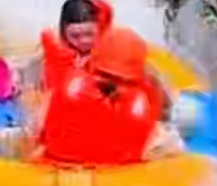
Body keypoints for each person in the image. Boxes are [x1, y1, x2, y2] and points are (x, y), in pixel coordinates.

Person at [37, 26, 168, 165]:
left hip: (57, 161)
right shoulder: (143, 100)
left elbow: (42, 133)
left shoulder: (69, 82)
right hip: (120, 169)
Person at [38, 0, 114, 91]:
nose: (83, 41)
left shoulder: (112, 50)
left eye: (89, 34)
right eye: (74, 36)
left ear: (99, 28)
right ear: (64, 32)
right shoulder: (56, 52)